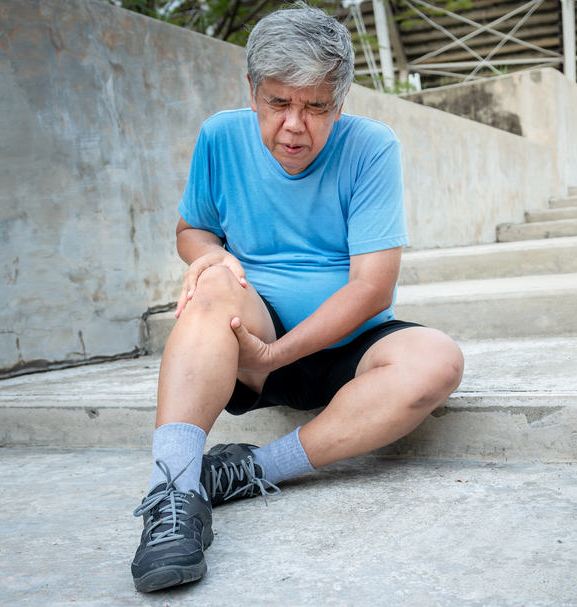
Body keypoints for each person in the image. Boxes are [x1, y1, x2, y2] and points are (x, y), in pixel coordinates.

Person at [130, 3, 464, 593]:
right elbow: (193, 231)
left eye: (316, 107)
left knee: (436, 361)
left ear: (340, 103)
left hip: (344, 345)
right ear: (253, 91)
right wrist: (210, 256)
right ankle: (175, 494)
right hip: (249, 330)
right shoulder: (220, 136)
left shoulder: (371, 147)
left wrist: (274, 357)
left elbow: (372, 286)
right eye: (279, 103)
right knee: (211, 282)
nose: (294, 126)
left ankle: (247, 470)